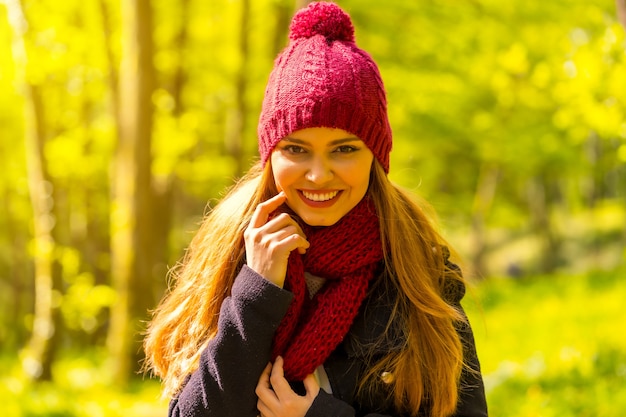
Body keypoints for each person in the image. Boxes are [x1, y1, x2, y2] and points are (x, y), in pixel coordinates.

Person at [143, 2, 488, 416]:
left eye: (344, 149)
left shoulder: (417, 265)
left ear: (375, 157)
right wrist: (256, 292)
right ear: (270, 155)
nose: (318, 175)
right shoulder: (229, 251)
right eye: (296, 149)